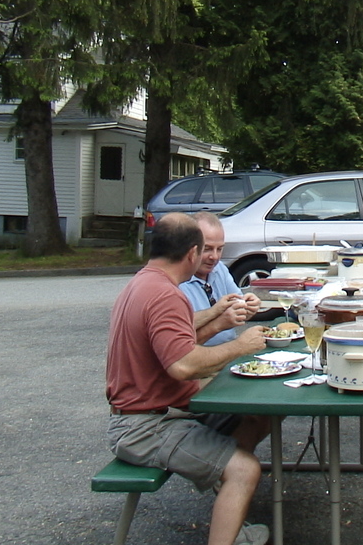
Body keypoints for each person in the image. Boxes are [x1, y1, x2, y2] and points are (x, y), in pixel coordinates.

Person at [105, 212, 269, 545]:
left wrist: (218, 320)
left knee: (255, 414)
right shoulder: (165, 295)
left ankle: (225, 499)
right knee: (244, 470)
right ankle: (227, 502)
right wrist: (240, 346)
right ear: (192, 253)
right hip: (145, 426)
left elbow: (175, 346)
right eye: (205, 249)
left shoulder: (144, 282)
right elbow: (182, 365)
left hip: (155, 411)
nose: (212, 257)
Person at [179, 212, 263, 347]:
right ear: (190, 248)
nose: (215, 257)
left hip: (228, 350)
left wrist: (248, 307)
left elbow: (237, 310)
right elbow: (179, 334)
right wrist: (217, 320)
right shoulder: (177, 280)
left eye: (219, 249)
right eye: (207, 249)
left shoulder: (220, 269)